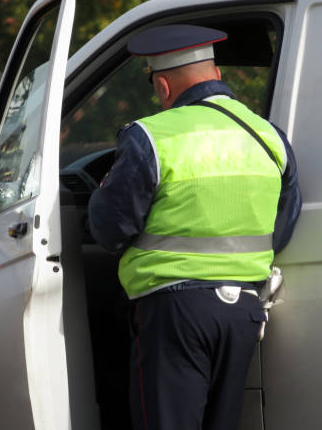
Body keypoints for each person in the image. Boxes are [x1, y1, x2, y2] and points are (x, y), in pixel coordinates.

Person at [87, 24, 301, 430]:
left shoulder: (152, 136)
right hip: (244, 314)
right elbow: (282, 228)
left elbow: (110, 228)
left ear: (164, 87)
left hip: (174, 313)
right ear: (217, 77)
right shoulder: (270, 137)